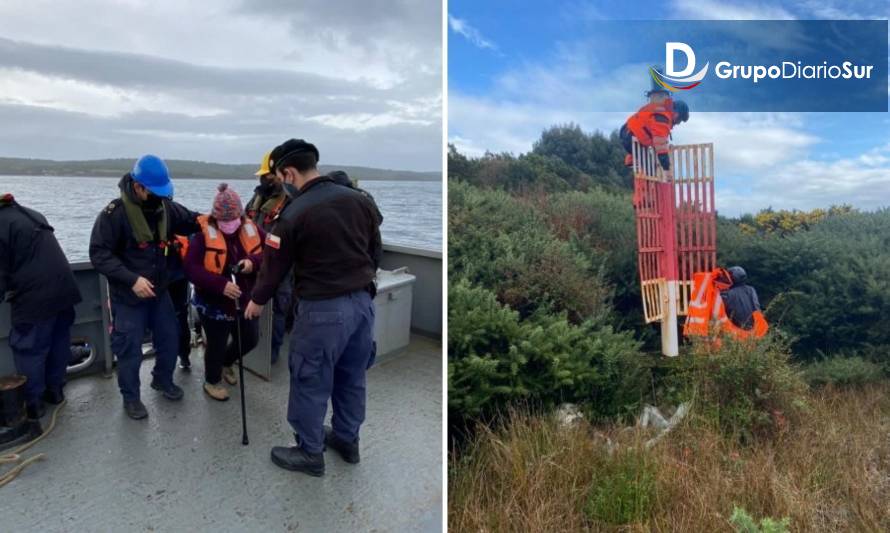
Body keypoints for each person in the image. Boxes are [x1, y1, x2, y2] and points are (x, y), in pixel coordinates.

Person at [245, 138, 382, 477]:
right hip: (363, 304)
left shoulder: (293, 214)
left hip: (323, 311)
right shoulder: (360, 201)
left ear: (288, 173)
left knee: (310, 378)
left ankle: (309, 451)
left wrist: (256, 301)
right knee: (352, 376)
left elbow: (273, 269)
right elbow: (374, 251)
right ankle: (348, 441)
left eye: (280, 177)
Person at [89, 155, 201, 420]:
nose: (159, 198)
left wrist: (216, 219)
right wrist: (132, 280)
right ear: (138, 187)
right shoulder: (113, 215)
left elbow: (192, 220)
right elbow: (99, 254)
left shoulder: (165, 209)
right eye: (154, 192)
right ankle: (131, 398)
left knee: (170, 338)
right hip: (128, 297)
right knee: (129, 349)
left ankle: (162, 380)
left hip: (159, 293)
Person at [0, 194, 82, 419]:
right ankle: (55, 392)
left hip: (34, 298)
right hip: (65, 291)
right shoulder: (32, 214)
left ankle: (33, 405)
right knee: (58, 341)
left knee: (29, 348)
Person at [184, 184, 264, 401]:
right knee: (216, 344)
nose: (229, 224)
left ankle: (227, 363)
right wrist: (220, 285)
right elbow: (191, 269)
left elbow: (270, 253)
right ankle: (212, 380)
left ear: (241, 215)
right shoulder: (202, 237)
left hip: (245, 299)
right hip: (214, 303)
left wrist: (252, 262)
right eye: (224, 220)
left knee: (250, 339)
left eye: (233, 219)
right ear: (215, 217)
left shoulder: (252, 230)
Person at [245, 152, 297, 365]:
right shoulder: (256, 198)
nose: (264, 179)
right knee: (253, 304)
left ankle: (273, 350)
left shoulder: (292, 202)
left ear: (280, 174)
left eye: (269, 175)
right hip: (255, 263)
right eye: (263, 175)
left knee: (278, 309)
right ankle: (252, 346)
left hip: (281, 266)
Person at [620, 79, 689, 172]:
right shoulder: (663, 117)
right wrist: (667, 168)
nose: (677, 124)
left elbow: (651, 134)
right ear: (677, 114)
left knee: (647, 164)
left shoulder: (659, 110)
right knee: (650, 170)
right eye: (679, 121)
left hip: (629, 134)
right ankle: (634, 162)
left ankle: (632, 161)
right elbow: (660, 144)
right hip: (630, 137)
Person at [168, 234, 194, 370]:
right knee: (181, 318)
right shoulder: (181, 222)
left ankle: (179, 356)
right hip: (180, 278)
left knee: (162, 322)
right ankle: (184, 356)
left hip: (164, 281)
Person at [721, 266, 762, 331]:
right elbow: (757, 308)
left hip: (735, 329)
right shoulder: (751, 290)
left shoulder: (727, 293)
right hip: (754, 329)